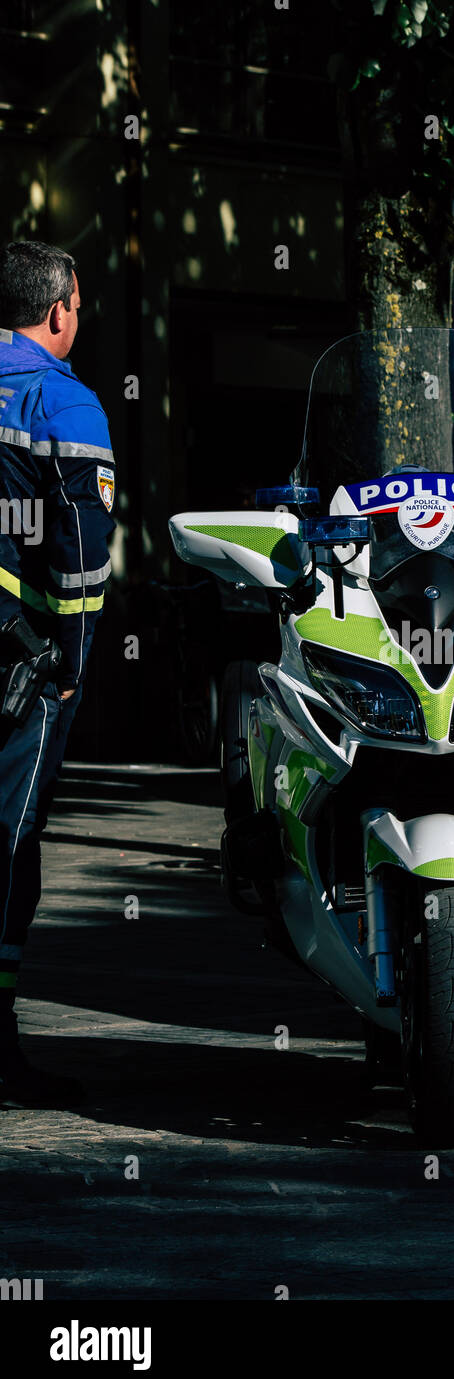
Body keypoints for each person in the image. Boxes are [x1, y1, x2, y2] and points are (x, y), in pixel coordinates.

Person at [0, 241, 115, 1106]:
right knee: (9, 844)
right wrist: (72, 662)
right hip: (20, 659)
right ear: (59, 312)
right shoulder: (60, 399)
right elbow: (78, 553)